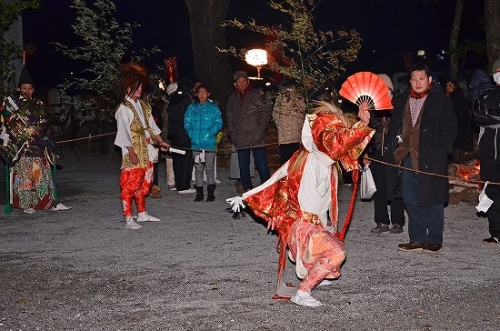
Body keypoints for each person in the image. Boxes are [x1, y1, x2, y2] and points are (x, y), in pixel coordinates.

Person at [227, 101, 374, 307]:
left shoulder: (305, 157)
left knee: (333, 254)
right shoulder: (319, 157)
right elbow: (339, 144)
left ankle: (313, 271)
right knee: (337, 252)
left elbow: (275, 179)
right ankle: (302, 292)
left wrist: (247, 197)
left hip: (305, 227)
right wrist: (361, 125)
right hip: (304, 228)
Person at [385, 62, 457, 253]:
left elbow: (450, 128)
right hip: (408, 156)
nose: (418, 83)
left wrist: (441, 151)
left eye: (422, 78)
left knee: (434, 199)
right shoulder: (401, 100)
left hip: (432, 156)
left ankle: (434, 239)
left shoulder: (441, 101)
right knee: (411, 199)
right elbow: (388, 122)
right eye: (414, 79)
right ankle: (417, 238)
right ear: (410, 81)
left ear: (429, 80)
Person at [114, 62, 170, 229]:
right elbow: (123, 131)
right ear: (128, 87)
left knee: (145, 184)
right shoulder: (124, 108)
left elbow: (151, 126)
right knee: (129, 185)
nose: (139, 90)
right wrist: (130, 152)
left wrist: (161, 142)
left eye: (140, 86)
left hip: (148, 150)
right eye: (136, 86)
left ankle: (143, 213)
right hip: (134, 150)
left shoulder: (144, 105)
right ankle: (129, 218)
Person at [1, 67, 62, 213]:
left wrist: (38, 130)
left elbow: (45, 122)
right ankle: (27, 204)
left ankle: (47, 202)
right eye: (24, 88)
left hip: (38, 145)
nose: (27, 91)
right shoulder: (12, 106)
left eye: (29, 88)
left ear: (33, 90)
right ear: (19, 89)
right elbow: (9, 125)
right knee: (24, 177)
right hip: (22, 147)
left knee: (40, 176)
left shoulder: (39, 105)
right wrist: (27, 131)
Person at [362, 74, 406, 234]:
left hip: (394, 154)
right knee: (378, 189)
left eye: (382, 87)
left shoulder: (398, 105)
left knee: (396, 187)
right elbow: (367, 132)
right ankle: (381, 221)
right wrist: (365, 153)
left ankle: (397, 221)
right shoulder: (371, 109)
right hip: (376, 153)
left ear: (389, 89)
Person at [226, 70, 271, 192]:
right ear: (235, 84)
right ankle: (247, 187)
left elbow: (265, 113)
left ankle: (267, 187)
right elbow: (229, 115)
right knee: (243, 164)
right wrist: (231, 131)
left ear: (247, 81)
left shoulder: (255, 94)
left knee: (261, 164)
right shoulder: (233, 97)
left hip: (256, 134)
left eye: (243, 80)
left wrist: (261, 128)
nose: (241, 83)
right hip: (240, 135)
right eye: (238, 81)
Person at [472, 57, 500, 245]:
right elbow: (478, 116)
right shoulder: (485, 94)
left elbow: (489, 115)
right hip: (490, 152)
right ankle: (496, 232)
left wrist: (493, 114)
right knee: (492, 189)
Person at [184, 84, 223, 202]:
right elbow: (186, 122)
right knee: (198, 168)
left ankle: (211, 192)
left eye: (204, 92)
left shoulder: (214, 108)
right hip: (196, 143)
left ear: (208, 94)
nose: (202, 95)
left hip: (209, 142)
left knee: (210, 168)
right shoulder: (191, 108)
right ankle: (199, 192)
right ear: (196, 94)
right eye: (199, 92)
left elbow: (218, 122)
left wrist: (211, 133)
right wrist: (191, 133)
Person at [167, 78, 196, 194]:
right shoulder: (187, 97)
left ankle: (178, 184)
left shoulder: (171, 98)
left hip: (173, 133)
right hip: (184, 133)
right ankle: (184, 187)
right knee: (185, 160)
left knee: (177, 159)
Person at [272, 79, 306, 165]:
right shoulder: (299, 96)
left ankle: (285, 177)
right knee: (296, 161)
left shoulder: (281, 97)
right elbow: (303, 111)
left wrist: (280, 126)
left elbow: (275, 114)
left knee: (285, 160)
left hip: (284, 135)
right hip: (297, 134)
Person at [445, 79, 474, 159]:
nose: (448, 87)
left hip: (460, 125)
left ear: (455, 86)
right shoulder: (450, 96)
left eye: (450, 85)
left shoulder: (456, 96)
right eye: (447, 85)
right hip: (459, 124)